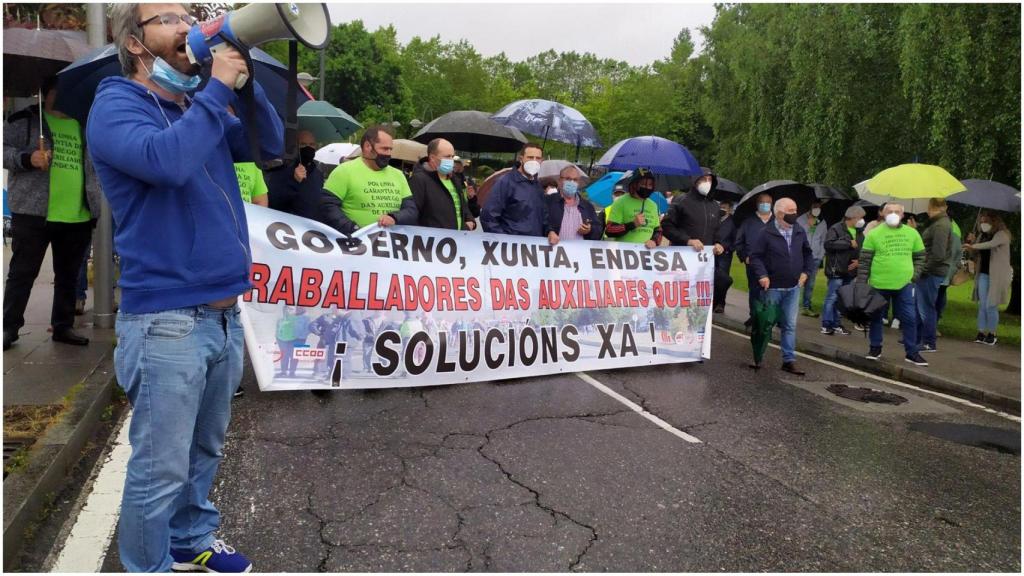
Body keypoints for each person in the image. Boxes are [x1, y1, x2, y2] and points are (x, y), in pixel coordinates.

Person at [86, 4, 284, 572]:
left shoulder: (199, 105)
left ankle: (189, 538)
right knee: (160, 468)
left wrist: (243, 80)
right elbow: (166, 163)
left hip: (223, 314)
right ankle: (146, 566)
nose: (185, 25)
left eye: (188, 15)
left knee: (204, 450)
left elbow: (268, 143)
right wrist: (216, 88)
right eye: (168, 17)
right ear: (134, 42)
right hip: (167, 318)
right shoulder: (117, 104)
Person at [3, 75, 102, 350]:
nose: (66, 98)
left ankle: (63, 325)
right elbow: (3, 150)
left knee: (68, 276)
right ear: (46, 94)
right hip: (33, 212)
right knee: (22, 273)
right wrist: (27, 158)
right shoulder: (23, 120)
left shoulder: (85, 124)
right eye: (60, 92)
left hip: (78, 213)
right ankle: (8, 327)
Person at [857, 203, 929, 367]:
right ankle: (875, 348)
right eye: (890, 211)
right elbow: (864, 261)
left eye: (897, 211)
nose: (893, 214)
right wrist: (861, 284)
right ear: (882, 213)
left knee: (910, 318)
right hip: (878, 283)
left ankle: (912, 352)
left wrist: (914, 276)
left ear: (903, 215)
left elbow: (920, 257)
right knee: (876, 317)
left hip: (905, 284)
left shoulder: (912, 233)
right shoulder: (874, 234)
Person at [748, 198, 815, 374]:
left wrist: (806, 272)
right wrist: (762, 275)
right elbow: (755, 257)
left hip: (793, 287)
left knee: (790, 325)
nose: (795, 214)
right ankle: (758, 356)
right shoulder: (766, 233)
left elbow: (808, 254)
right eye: (791, 211)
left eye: (795, 210)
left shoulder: (799, 231)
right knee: (765, 324)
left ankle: (788, 360)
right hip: (772, 288)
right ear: (779, 214)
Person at [319, 125, 417, 235]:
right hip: (355, 244)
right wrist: (354, 230)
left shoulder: (398, 175)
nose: (389, 154)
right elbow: (327, 206)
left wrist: (394, 218)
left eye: (390, 149)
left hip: (390, 244)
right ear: (367, 146)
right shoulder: (344, 171)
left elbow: (411, 210)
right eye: (384, 149)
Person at [963, 212, 1012, 345]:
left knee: (991, 305)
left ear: (994, 222)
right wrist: (972, 243)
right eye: (981, 221)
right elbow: (975, 253)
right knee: (982, 305)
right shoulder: (982, 236)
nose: (982, 224)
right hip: (983, 273)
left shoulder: (1002, 235)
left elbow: (991, 244)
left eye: (985, 221)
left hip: (998, 275)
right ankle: (981, 332)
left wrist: (974, 245)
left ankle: (992, 333)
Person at [409, 138, 476, 230]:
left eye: (452, 156)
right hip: (432, 241)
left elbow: (462, 207)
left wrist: (470, 221)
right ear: (432, 157)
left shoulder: (454, 179)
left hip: (456, 240)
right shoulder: (419, 180)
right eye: (447, 156)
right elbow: (412, 213)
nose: (451, 160)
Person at [480, 143, 546, 236]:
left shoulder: (537, 185)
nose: (534, 161)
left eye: (538, 158)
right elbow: (488, 217)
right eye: (530, 157)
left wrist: (549, 231)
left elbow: (542, 216)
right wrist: (504, 241)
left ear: (542, 160)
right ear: (521, 158)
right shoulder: (505, 182)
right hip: (512, 247)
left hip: (533, 246)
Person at [915, 198, 953, 352]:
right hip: (931, 270)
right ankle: (918, 338)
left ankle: (929, 342)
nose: (927, 210)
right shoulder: (939, 223)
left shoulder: (941, 225)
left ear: (934, 207)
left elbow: (938, 254)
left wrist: (924, 269)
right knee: (922, 306)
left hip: (931, 272)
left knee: (927, 307)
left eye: (928, 207)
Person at [820, 205, 865, 335]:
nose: (862, 220)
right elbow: (828, 244)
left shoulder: (859, 231)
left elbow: (863, 247)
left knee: (843, 299)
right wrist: (847, 243)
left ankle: (837, 323)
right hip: (837, 269)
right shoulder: (836, 228)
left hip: (850, 271)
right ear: (852, 217)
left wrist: (859, 261)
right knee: (832, 297)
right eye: (860, 218)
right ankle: (826, 324)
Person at [661, 170, 724, 257]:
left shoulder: (715, 206)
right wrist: (688, 240)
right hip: (681, 257)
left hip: (705, 260)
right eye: (704, 179)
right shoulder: (681, 201)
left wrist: (718, 243)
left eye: (710, 180)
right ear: (695, 180)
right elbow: (666, 226)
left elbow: (717, 231)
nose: (707, 183)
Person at [734, 193, 774, 326]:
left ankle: (770, 316)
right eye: (762, 202)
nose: (765, 205)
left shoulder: (777, 221)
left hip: (773, 263)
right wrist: (744, 256)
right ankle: (754, 316)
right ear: (757, 204)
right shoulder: (748, 222)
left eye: (768, 202)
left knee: (772, 291)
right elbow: (739, 242)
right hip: (752, 263)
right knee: (755, 290)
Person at [266, 130, 322, 219]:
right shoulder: (282, 171)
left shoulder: (318, 174)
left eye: (311, 144)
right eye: (303, 144)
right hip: (289, 226)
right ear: (296, 147)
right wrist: (294, 181)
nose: (308, 148)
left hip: (311, 228)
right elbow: (274, 201)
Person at [604, 168, 663, 248]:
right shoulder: (621, 202)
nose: (647, 187)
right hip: (624, 254)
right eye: (643, 184)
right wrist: (632, 224)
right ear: (635, 184)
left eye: (650, 185)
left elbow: (658, 230)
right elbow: (609, 230)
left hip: (646, 255)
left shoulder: (653, 205)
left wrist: (654, 241)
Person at [545, 165, 603, 243]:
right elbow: (540, 222)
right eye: (568, 179)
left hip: (579, 253)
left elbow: (598, 231)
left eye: (575, 180)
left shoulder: (587, 206)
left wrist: (590, 230)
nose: (572, 182)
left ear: (578, 183)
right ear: (559, 180)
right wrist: (549, 231)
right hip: (555, 251)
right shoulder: (549, 201)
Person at [796, 202, 827, 317]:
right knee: (798, 281)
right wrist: (809, 227)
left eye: (819, 207)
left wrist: (820, 256)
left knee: (810, 284)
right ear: (810, 207)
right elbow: (797, 237)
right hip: (801, 256)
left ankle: (806, 306)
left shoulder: (822, 222)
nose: (817, 209)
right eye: (815, 207)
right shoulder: (800, 220)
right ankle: (793, 305)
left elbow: (824, 240)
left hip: (814, 258)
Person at [936, 219, 962, 329]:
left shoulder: (939, 235)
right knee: (939, 300)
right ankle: (933, 325)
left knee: (933, 300)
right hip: (945, 275)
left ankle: (930, 326)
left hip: (937, 273)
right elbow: (958, 258)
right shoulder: (956, 237)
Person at [712, 199, 737, 313]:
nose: (722, 209)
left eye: (725, 207)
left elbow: (735, 240)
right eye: (721, 206)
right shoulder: (714, 219)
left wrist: (725, 248)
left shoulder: (733, 223)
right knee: (711, 278)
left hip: (725, 255)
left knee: (723, 279)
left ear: (730, 209)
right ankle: (711, 301)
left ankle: (720, 303)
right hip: (711, 252)